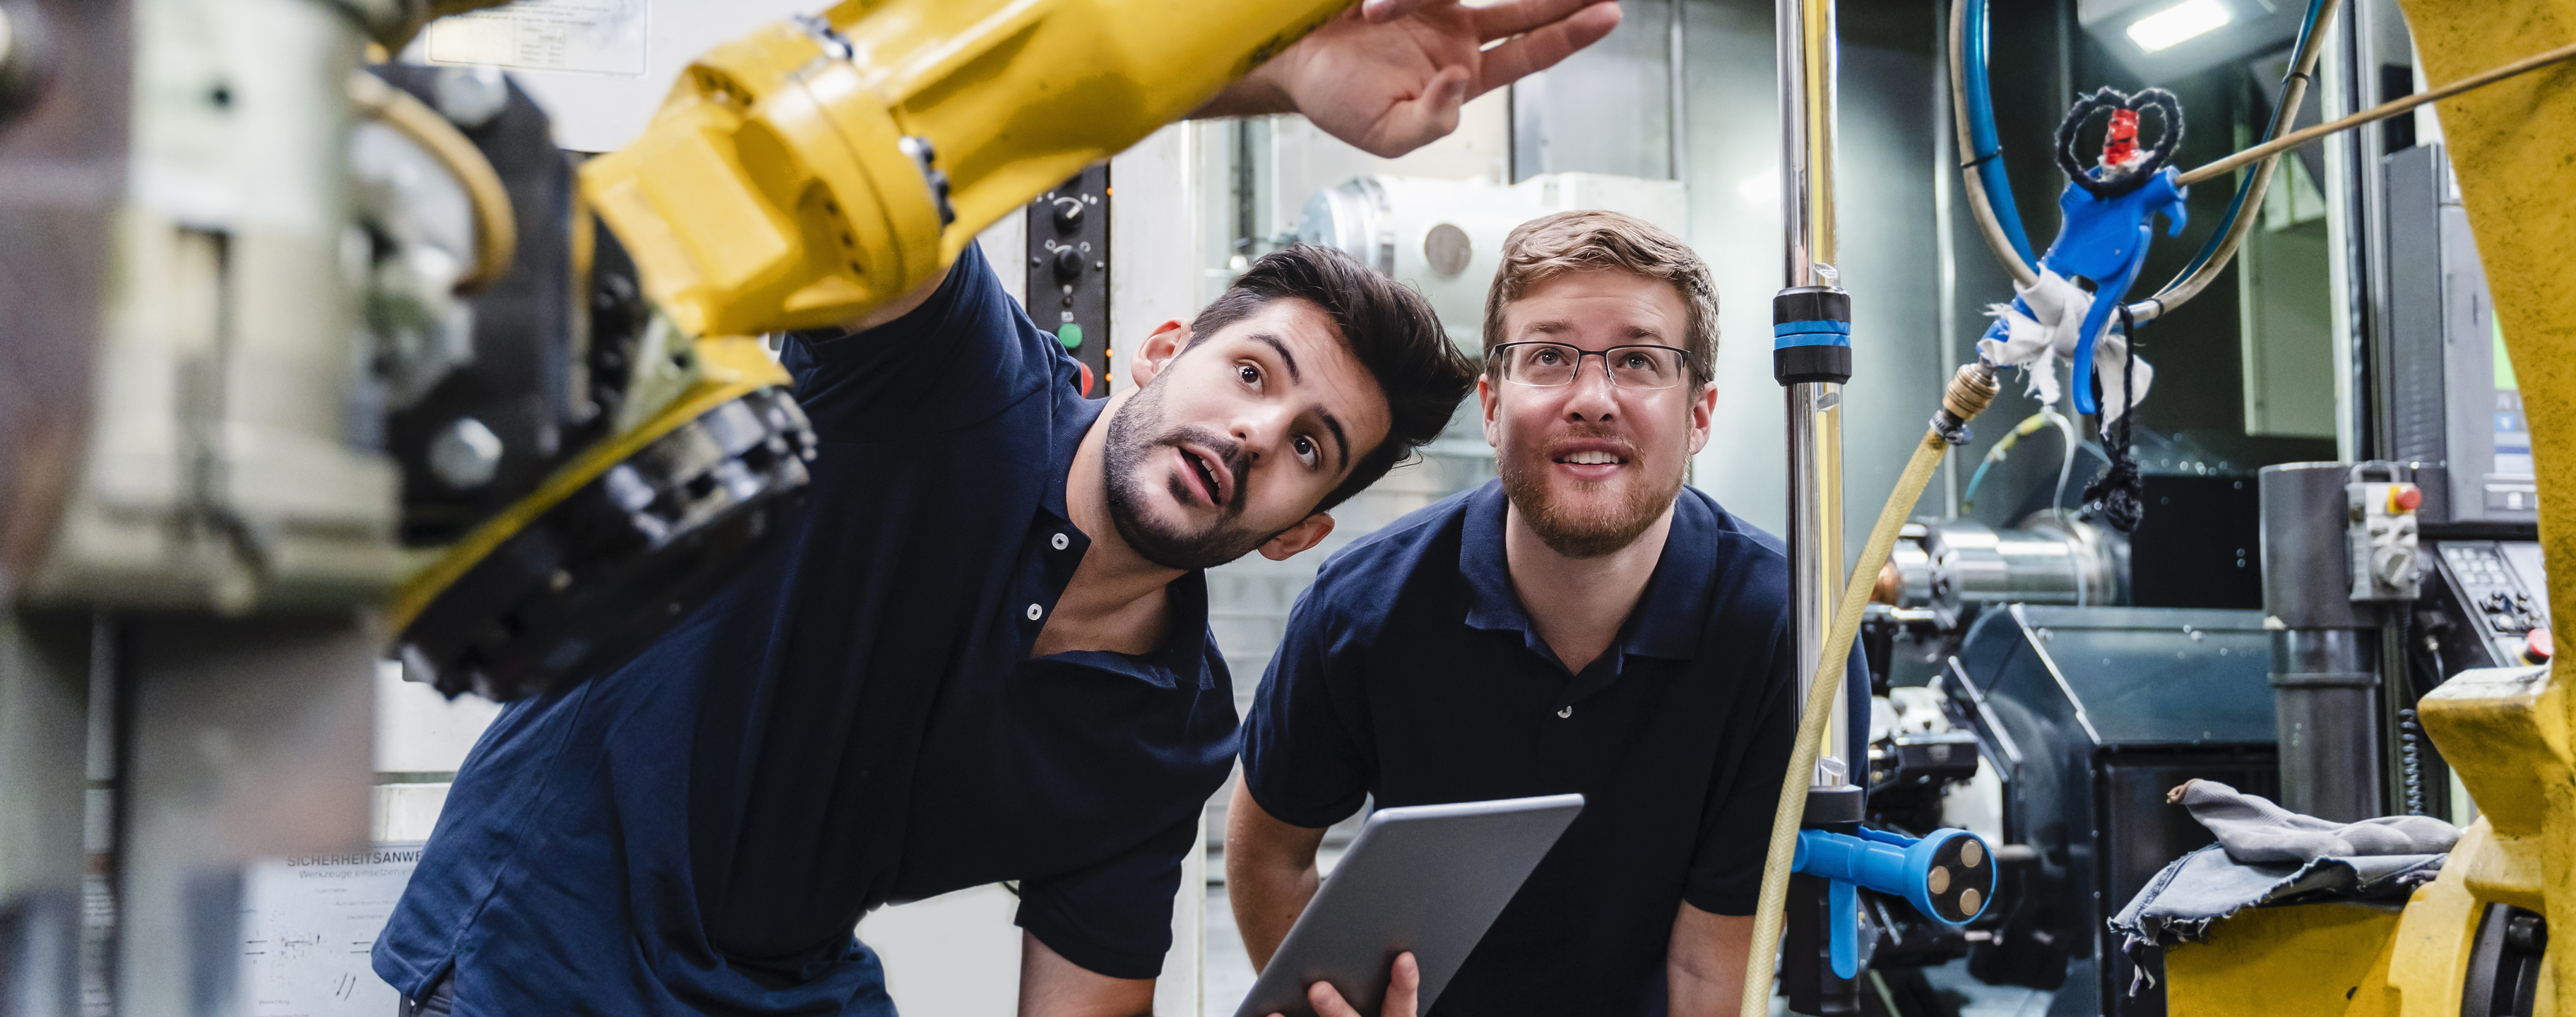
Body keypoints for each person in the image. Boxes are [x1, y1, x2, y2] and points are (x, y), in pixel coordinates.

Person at [373, 3, 1623, 1015]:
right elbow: (883, 123)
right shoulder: (945, 373)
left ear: (1300, 531)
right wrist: (1261, 59)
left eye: (1307, 446)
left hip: (775, 983)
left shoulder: (1167, 734)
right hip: (541, 936)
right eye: (1251, 376)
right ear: (1158, 349)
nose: (1252, 434)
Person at [1227, 210, 1868, 1016]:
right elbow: (1268, 856)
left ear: (1698, 414)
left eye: (1637, 360)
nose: (1591, 399)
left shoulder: (1783, 634)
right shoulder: (1361, 608)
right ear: (1491, 407)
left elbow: (1710, 970)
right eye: (1549, 357)